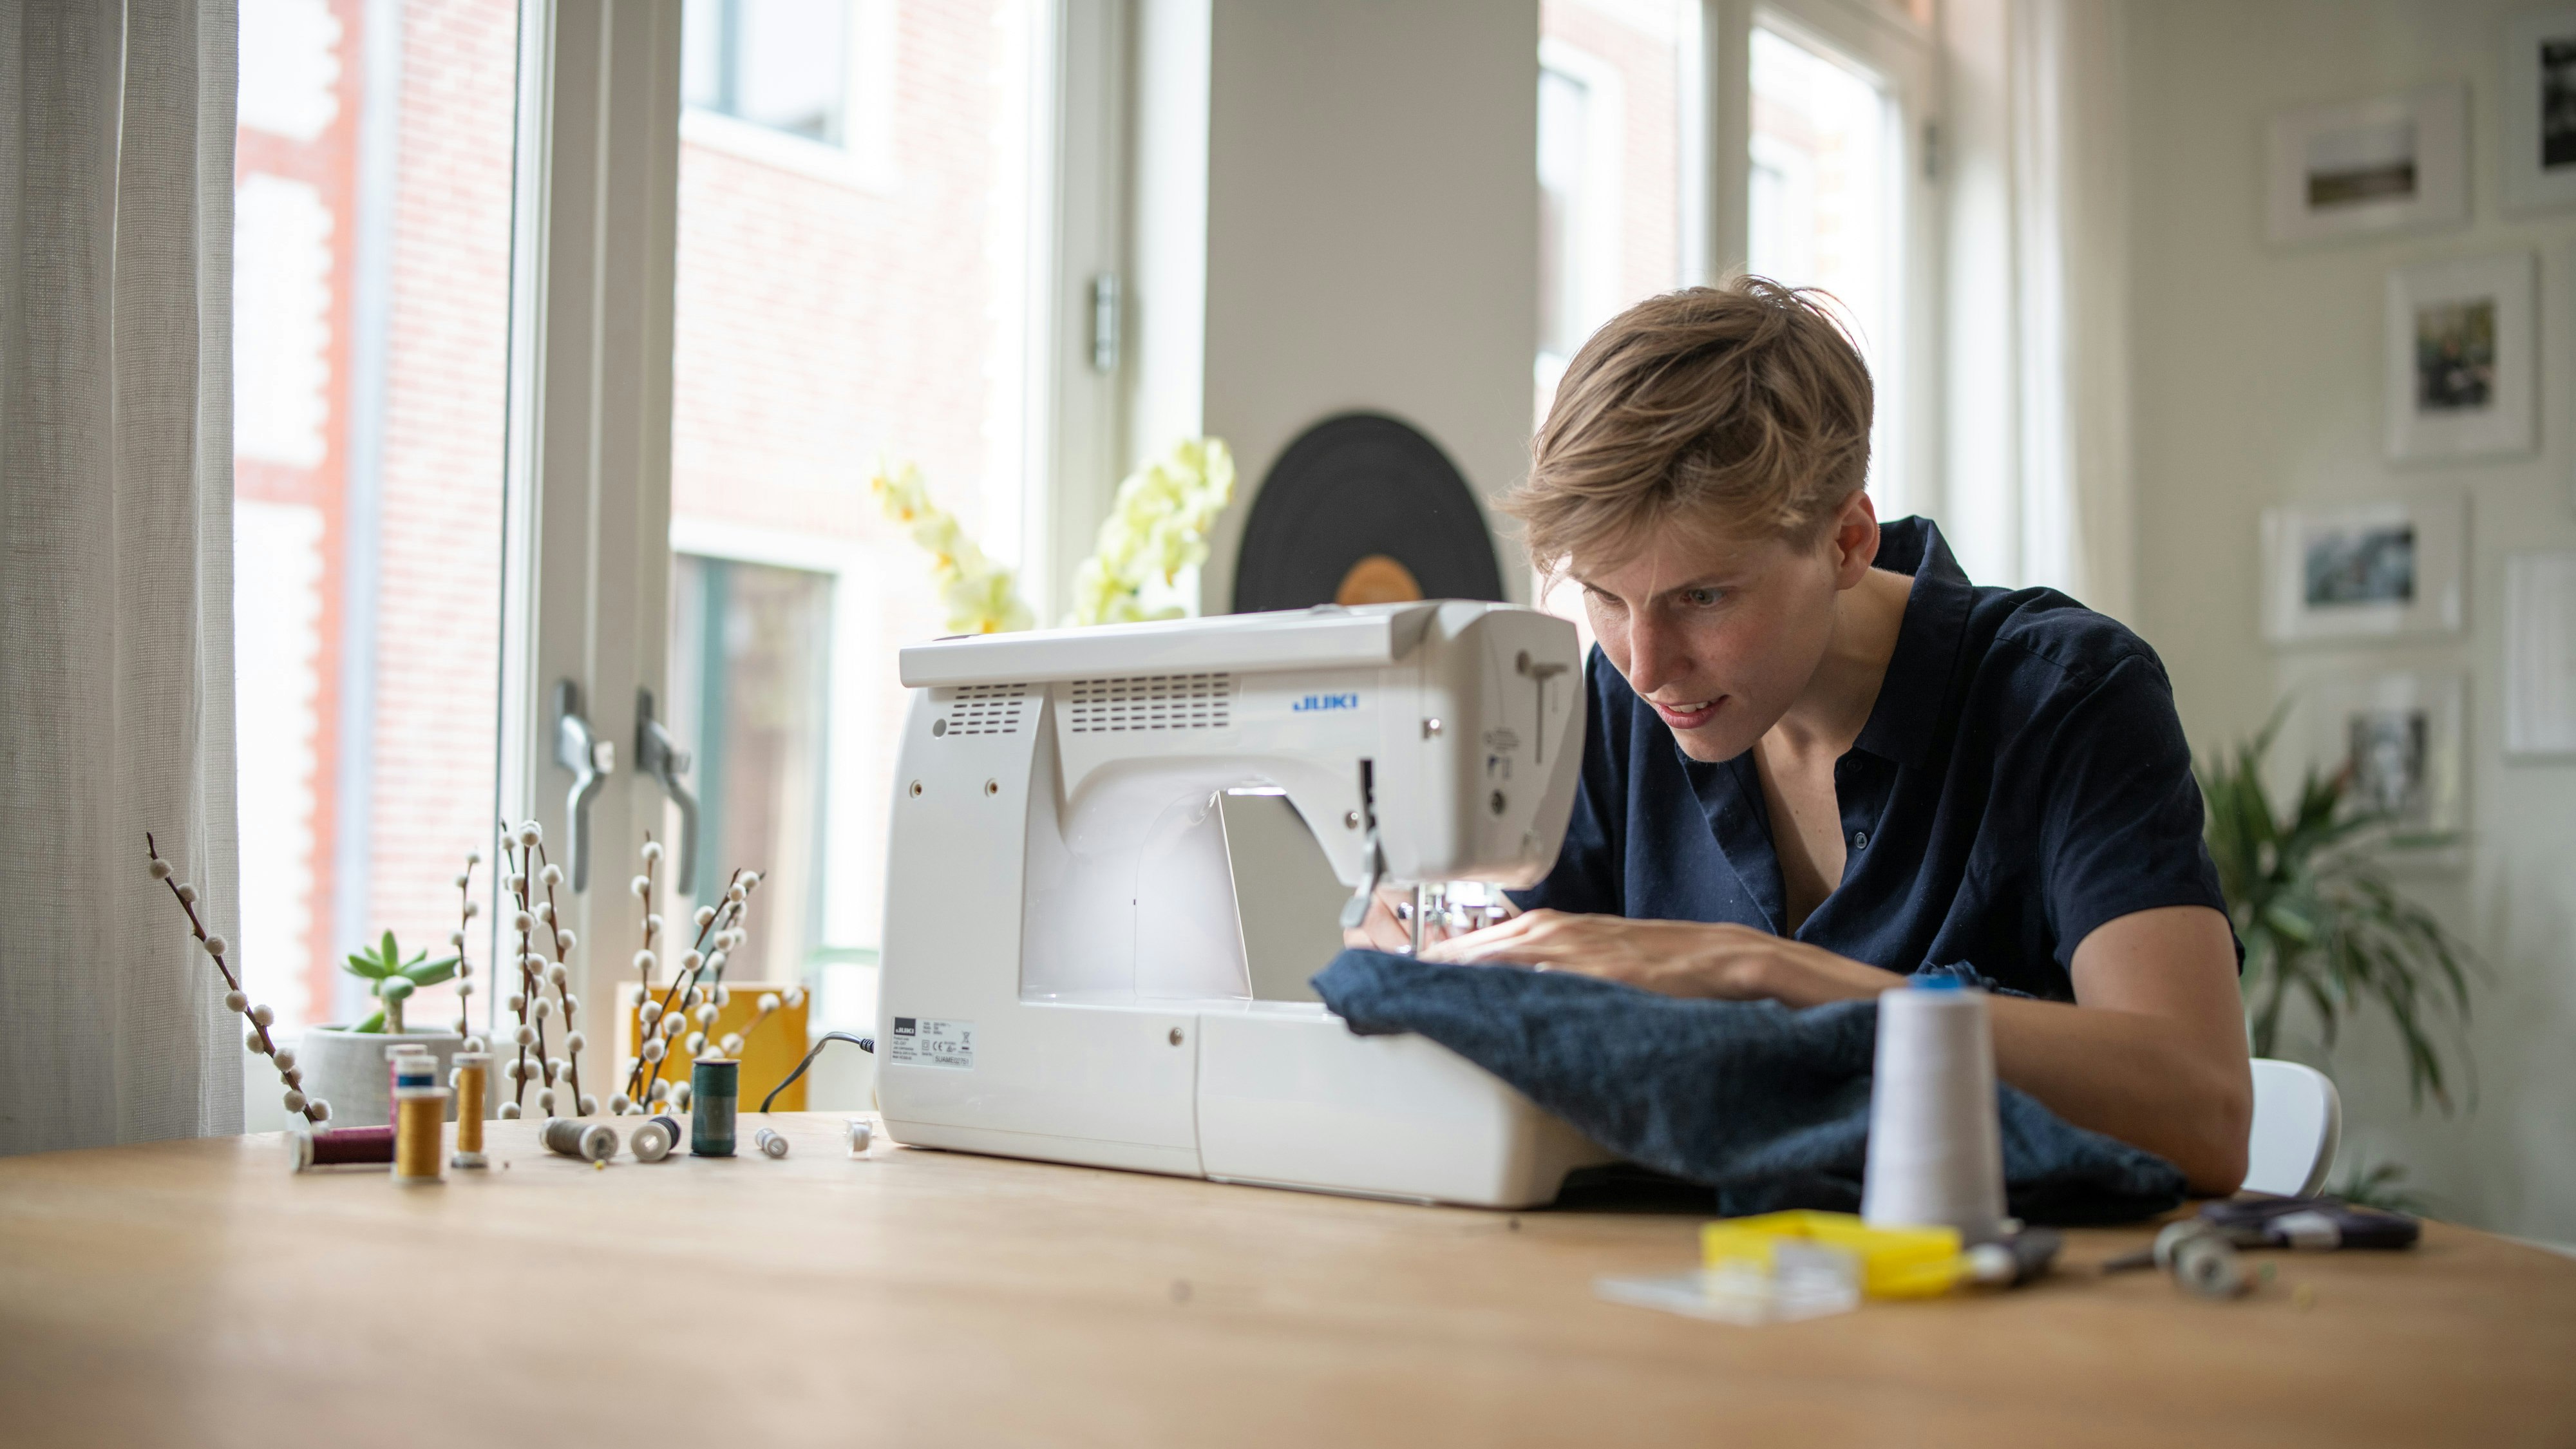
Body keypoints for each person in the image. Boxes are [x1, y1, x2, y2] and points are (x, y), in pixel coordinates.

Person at [1347, 279, 2252, 1193]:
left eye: (1703, 597)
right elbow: (1538, 1018)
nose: (1647, 664)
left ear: (1848, 540)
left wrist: (1763, 973)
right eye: (1607, 598)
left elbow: (2206, 1109)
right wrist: (1440, 956)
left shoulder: (2069, 698)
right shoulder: (1626, 705)